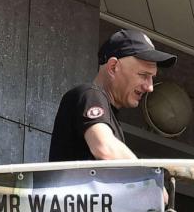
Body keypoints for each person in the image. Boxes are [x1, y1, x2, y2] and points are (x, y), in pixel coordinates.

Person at [48, 28, 176, 162]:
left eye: (152, 78)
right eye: (143, 75)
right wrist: (147, 176)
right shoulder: (90, 94)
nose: (149, 87)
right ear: (113, 67)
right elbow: (105, 149)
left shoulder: (109, 115)